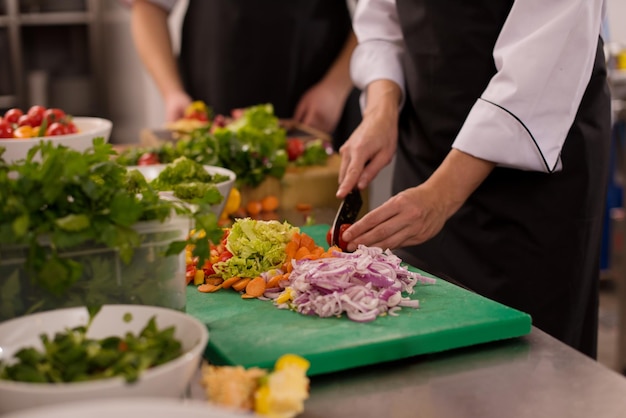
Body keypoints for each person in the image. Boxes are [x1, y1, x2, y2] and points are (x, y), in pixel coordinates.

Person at [337, 0, 610, 358]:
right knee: (418, 345)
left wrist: (441, 195)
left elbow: (539, 67)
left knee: (525, 364)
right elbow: (380, 21)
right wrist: (380, 109)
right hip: (425, 155)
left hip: (531, 185)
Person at [127, 0, 361, 150]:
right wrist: (172, 93)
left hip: (320, 97)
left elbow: (379, 14)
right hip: (214, 87)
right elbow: (148, 6)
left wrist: (335, 87)